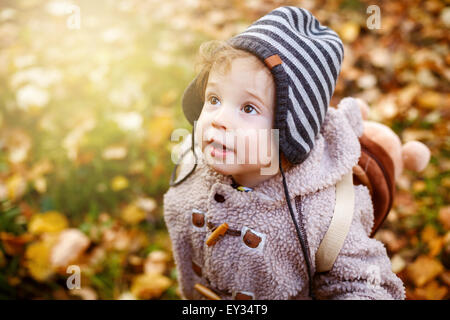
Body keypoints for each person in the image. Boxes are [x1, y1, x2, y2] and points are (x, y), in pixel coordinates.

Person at [163, 6, 405, 300]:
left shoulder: (319, 213)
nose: (218, 119)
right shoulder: (193, 167)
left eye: (248, 108)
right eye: (214, 98)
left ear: (291, 131)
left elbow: (365, 283)